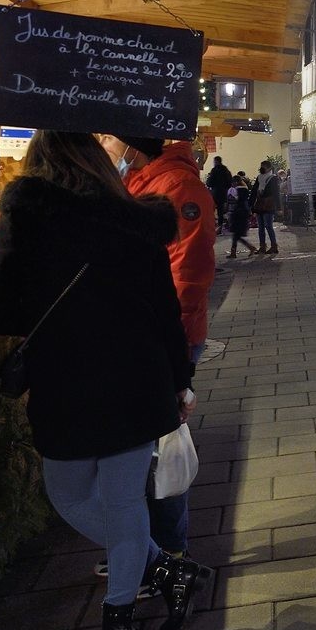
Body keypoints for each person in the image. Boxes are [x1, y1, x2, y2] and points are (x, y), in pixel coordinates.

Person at [0, 131, 200, 630]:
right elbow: (166, 310)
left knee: (71, 494)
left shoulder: (28, 218)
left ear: (39, 163)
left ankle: (121, 611)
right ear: (101, 163)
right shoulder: (140, 222)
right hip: (136, 381)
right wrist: (179, 379)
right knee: (122, 503)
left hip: (66, 381)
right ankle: (159, 573)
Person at [98, 134, 218, 579]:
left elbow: (189, 277)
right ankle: (141, 548)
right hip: (136, 334)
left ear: (134, 142)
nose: (104, 144)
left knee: (163, 447)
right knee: (137, 447)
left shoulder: (179, 189)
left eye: (109, 137)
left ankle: (170, 553)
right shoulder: (141, 182)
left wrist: (178, 359)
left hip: (166, 337)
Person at [251, 160, 281, 254]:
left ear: (269, 168)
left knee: (268, 226)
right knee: (260, 227)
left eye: (263, 167)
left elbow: (276, 193)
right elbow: (254, 191)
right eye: (261, 166)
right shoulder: (259, 177)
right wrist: (251, 205)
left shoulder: (273, 178)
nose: (261, 168)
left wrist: (279, 207)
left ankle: (274, 246)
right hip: (260, 204)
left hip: (269, 204)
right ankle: (262, 246)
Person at [225, 180, 258, 258]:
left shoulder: (241, 202)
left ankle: (247, 248)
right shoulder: (244, 202)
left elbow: (238, 212)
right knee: (236, 237)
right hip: (240, 222)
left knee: (236, 237)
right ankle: (248, 248)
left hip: (238, 222)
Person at [205, 155, 232, 231]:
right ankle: (220, 227)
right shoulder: (226, 170)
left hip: (215, 193)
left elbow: (209, 182)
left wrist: (209, 182)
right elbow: (230, 182)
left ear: (216, 161)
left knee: (211, 210)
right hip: (223, 193)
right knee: (220, 211)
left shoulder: (214, 170)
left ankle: (211, 226)